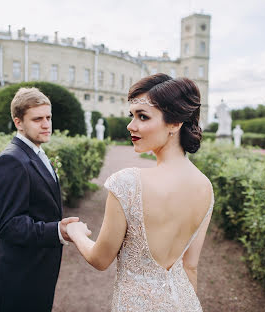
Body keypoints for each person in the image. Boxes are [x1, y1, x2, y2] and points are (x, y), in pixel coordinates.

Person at [67, 74, 214, 311]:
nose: (130, 126)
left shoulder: (128, 183)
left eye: (143, 117)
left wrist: (75, 232)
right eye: (132, 116)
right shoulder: (205, 186)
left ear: (175, 124)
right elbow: (191, 266)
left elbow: (100, 259)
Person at [0, 87, 83, 312]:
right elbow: (9, 226)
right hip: (22, 274)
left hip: (39, 267)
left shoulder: (36, 152)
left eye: (48, 117)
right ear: (18, 122)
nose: (46, 124)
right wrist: (58, 231)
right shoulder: (11, 161)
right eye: (37, 119)